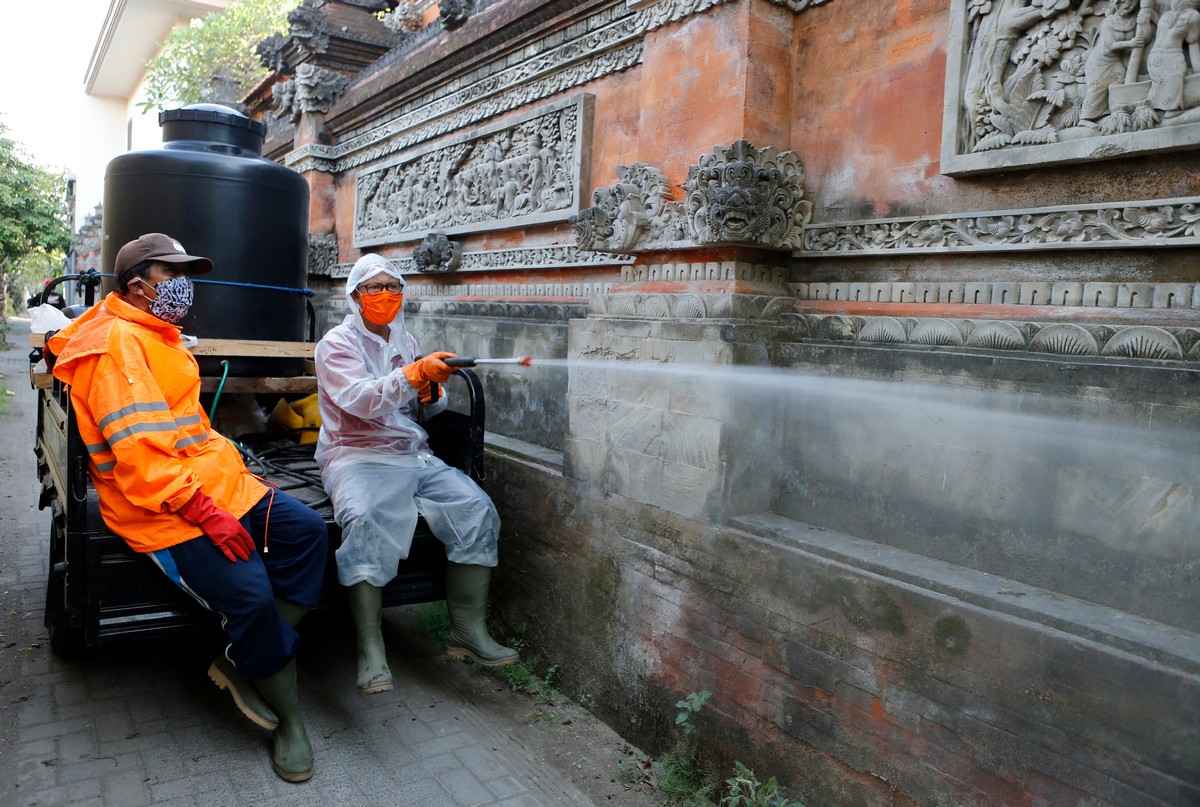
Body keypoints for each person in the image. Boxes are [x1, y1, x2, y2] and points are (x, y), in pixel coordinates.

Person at [46, 233, 327, 783]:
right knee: (250, 595)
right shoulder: (116, 348)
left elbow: (184, 431)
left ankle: (242, 661)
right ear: (137, 286)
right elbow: (144, 457)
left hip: (216, 482)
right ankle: (291, 720)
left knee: (309, 535)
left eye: (185, 273)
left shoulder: (157, 334)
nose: (183, 286)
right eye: (170, 275)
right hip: (161, 507)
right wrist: (206, 511)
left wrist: (228, 490)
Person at [314, 253, 518, 696]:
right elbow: (360, 401)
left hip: (408, 451)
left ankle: (467, 632)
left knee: (476, 508)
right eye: (373, 288)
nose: (384, 296)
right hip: (355, 454)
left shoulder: (404, 338)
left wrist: (432, 390)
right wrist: (413, 374)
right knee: (364, 519)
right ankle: (371, 648)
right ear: (354, 296)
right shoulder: (336, 344)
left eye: (393, 287)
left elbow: (420, 406)